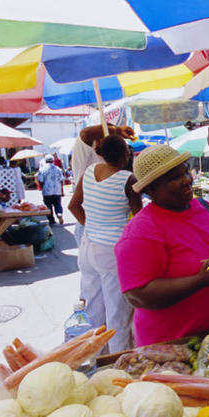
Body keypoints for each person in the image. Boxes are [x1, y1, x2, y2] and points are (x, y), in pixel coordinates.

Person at [114, 144, 209, 346]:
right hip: (173, 346)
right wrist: (199, 280)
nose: (186, 180)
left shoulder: (205, 208)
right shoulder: (140, 232)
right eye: (174, 178)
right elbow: (137, 295)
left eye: (185, 171)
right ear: (151, 189)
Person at [69, 135, 143, 353]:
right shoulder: (127, 179)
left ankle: (93, 355)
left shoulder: (89, 172)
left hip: (88, 246)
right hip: (112, 251)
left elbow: (74, 206)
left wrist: (93, 226)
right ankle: (117, 360)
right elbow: (138, 218)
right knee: (118, 312)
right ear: (124, 155)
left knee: (92, 307)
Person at [37, 154, 64, 225]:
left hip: (47, 190)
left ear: (45, 161)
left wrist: (42, 188)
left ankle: (51, 220)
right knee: (57, 204)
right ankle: (59, 213)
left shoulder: (42, 169)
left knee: (48, 205)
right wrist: (62, 190)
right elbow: (61, 180)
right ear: (53, 160)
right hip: (57, 189)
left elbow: (40, 180)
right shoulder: (58, 169)